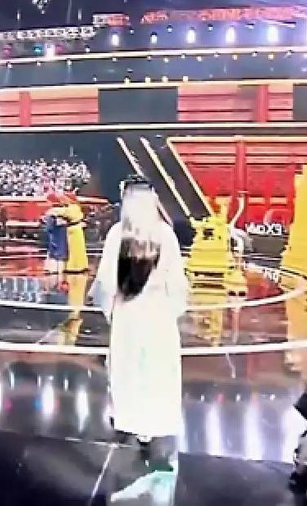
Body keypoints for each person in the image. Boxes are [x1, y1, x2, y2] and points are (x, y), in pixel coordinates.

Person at [91, 181, 188, 445]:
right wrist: (173, 310)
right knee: (156, 368)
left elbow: (106, 282)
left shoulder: (117, 234)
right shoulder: (166, 235)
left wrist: (111, 310)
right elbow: (176, 281)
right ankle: (152, 423)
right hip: (159, 313)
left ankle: (128, 416)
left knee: (127, 367)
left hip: (128, 313)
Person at [44, 194, 69, 281]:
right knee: (61, 250)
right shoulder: (64, 211)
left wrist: (47, 229)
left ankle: (53, 269)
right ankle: (61, 269)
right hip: (62, 232)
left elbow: (49, 226)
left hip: (55, 233)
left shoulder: (51, 212)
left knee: (53, 251)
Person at [62, 192, 88, 273]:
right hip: (77, 228)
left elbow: (64, 213)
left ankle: (74, 267)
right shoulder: (77, 207)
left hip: (73, 229)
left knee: (73, 249)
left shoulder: (71, 208)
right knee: (79, 248)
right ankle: (81, 265)